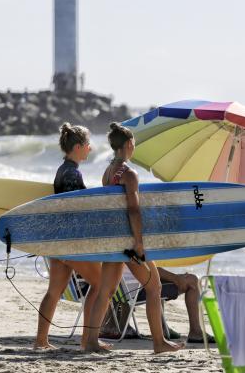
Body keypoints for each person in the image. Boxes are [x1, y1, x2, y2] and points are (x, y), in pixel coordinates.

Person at [85, 122, 184, 354]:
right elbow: (133, 210)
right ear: (129, 144)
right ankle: (159, 343)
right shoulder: (129, 174)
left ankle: (90, 340)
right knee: (154, 287)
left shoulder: (108, 172)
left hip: (115, 240)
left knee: (106, 291)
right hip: (129, 242)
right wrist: (139, 243)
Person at [34, 122, 108, 351]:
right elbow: (74, 212)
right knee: (100, 284)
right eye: (87, 145)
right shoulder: (72, 174)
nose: (90, 149)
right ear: (77, 147)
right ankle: (88, 340)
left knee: (54, 291)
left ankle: (41, 341)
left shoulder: (63, 170)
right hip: (71, 243)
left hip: (59, 242)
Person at [98, 267, 215, 343]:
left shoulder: (113, 241)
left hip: (123, 289)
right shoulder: (135, 241)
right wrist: (176, 278)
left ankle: (163, 328)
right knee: (192, 281)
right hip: (136, 289)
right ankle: (195, 331)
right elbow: (150, 269)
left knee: (162, 279)